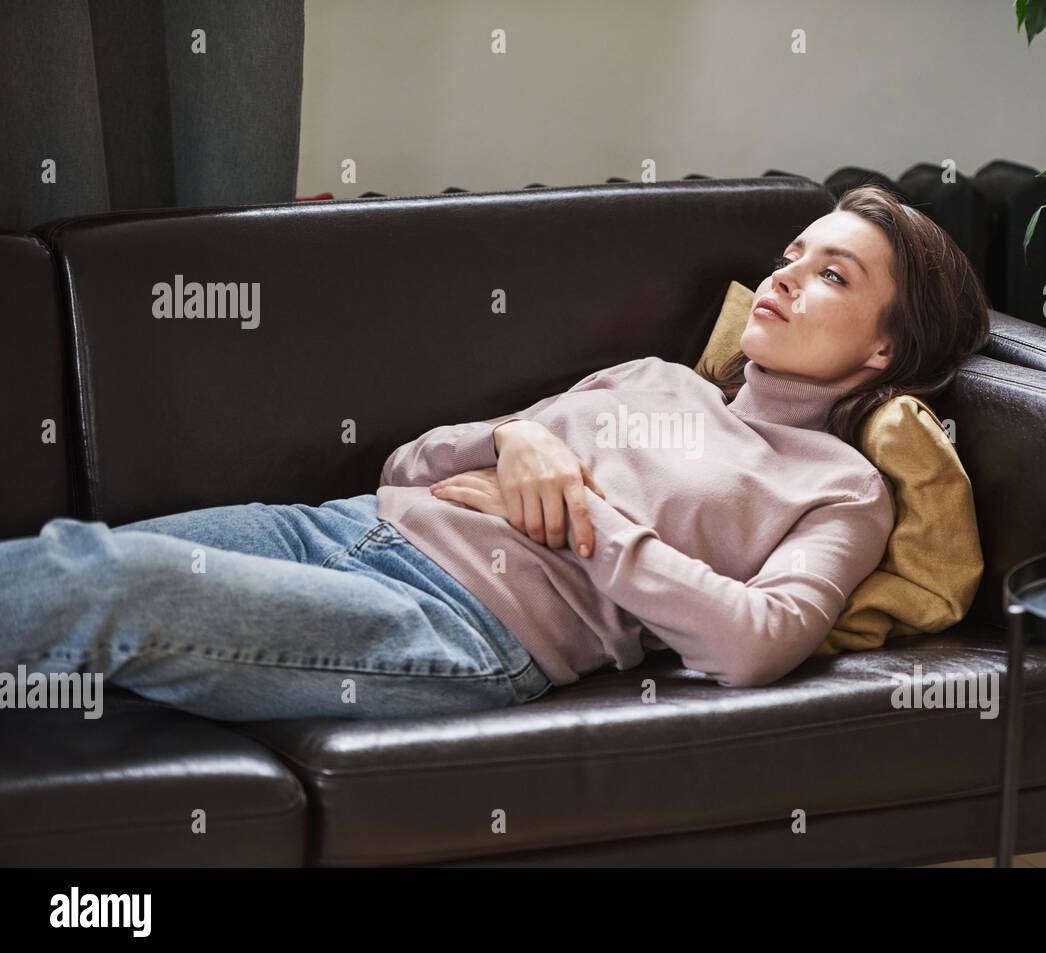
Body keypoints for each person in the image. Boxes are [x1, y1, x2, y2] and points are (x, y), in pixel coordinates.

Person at [0, 186, 989, 723]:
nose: (784, 277)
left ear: (883, 349)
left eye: (830, 275)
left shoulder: (840, 488)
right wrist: (518, 439)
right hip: (347, 530)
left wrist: (581, 513)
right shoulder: (656, 378)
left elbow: (752, 645)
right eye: (790, 255)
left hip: (455, 623)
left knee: (104, 584)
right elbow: (405, 468)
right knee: (65, 561)